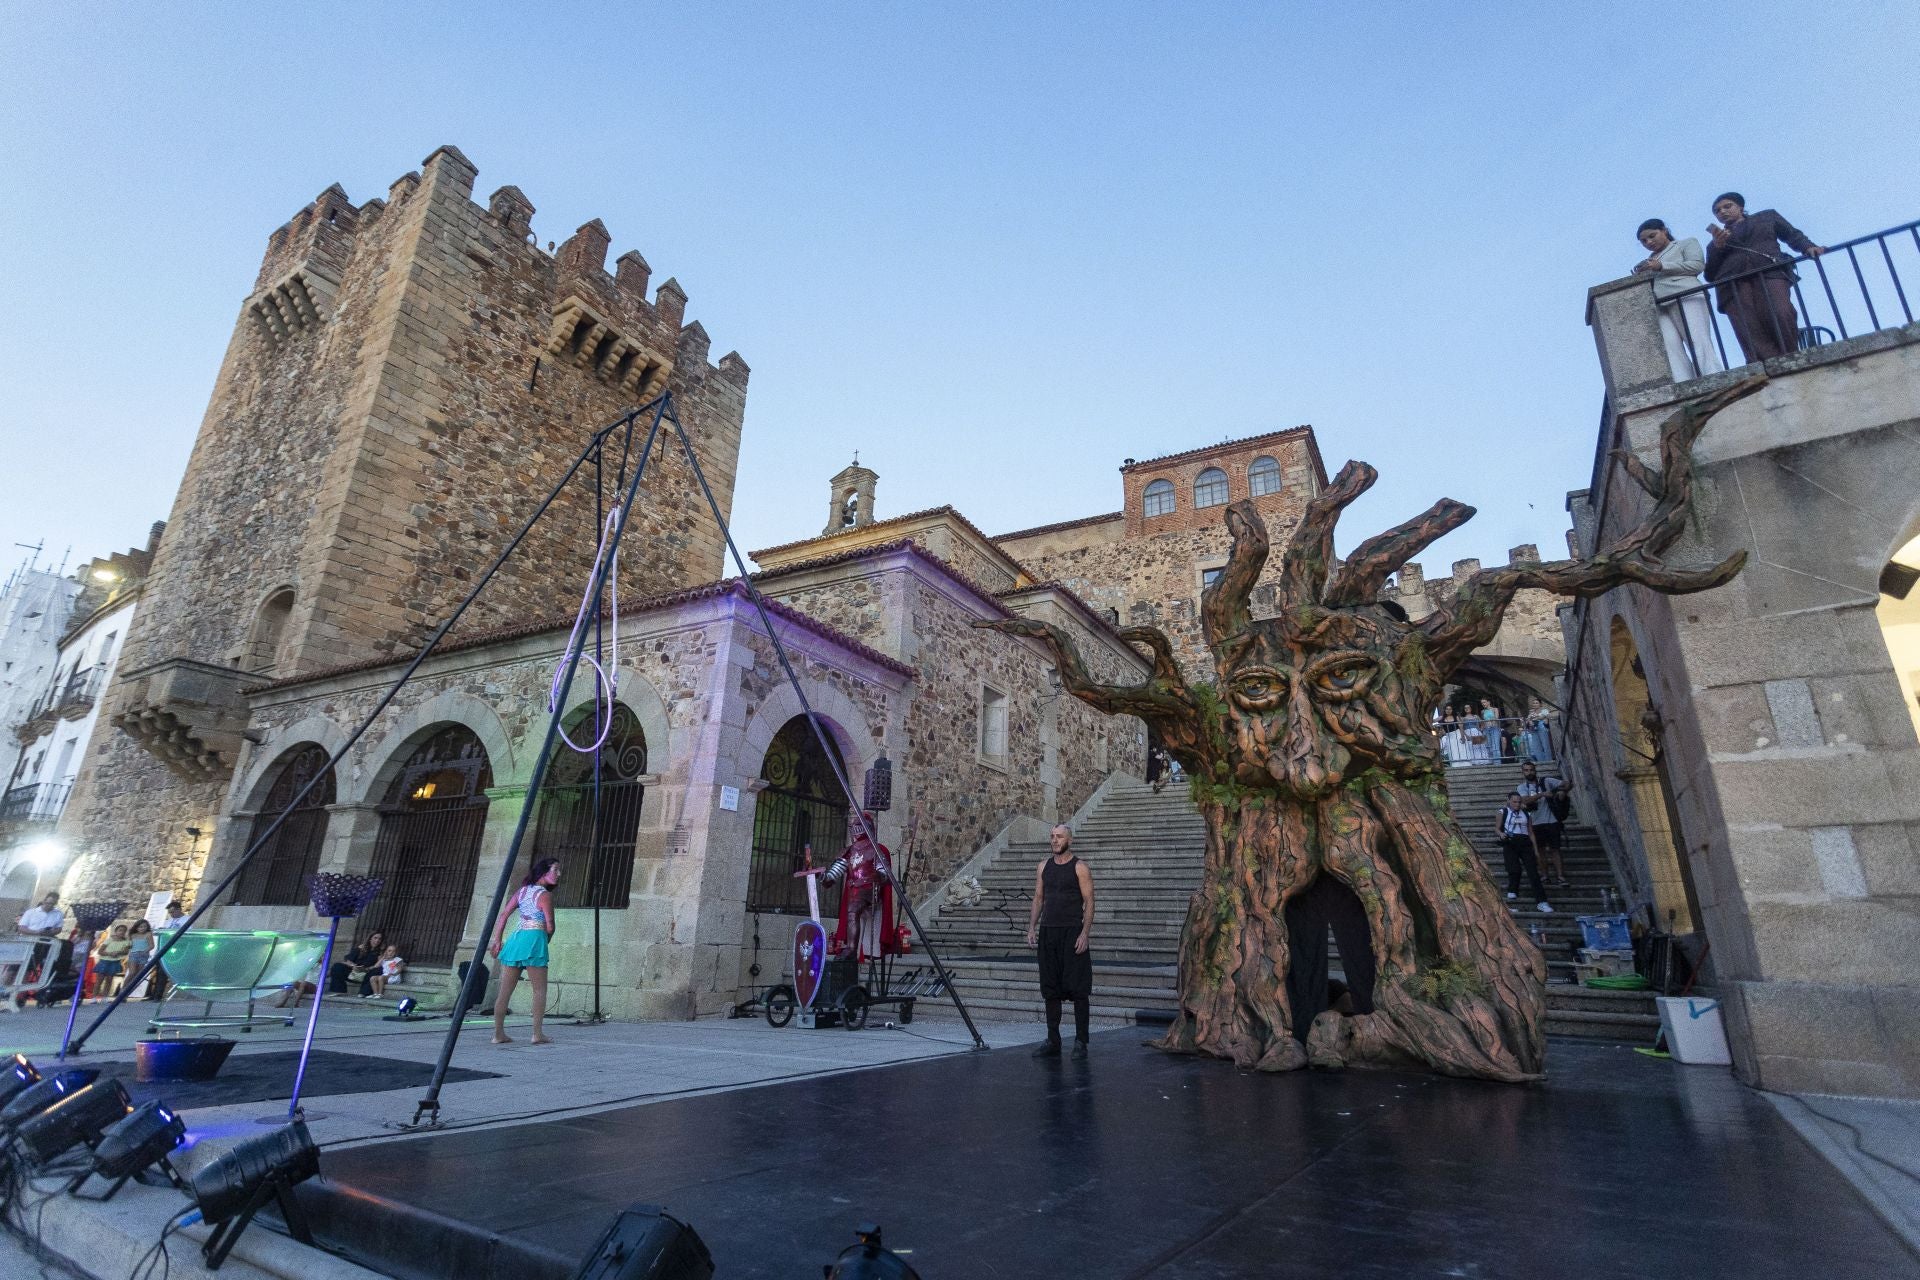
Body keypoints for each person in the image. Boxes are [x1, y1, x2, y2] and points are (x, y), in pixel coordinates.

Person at [1705, 192, 1825, 365]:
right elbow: (1710, 274)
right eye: (1717, 211)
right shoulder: (1714, 243)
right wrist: (1718, 247)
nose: (1722, 212)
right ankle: (1764, 363)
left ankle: (1790, 356)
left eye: (1727, 206)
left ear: (1740, 207)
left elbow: (1792, 234)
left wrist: (1808, 247)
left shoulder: (1766, 217)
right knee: (1749, 324)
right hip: (1733, 284)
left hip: (1769, 271)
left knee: (1780, 311)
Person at [1025, 824, 1094, 1059]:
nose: (1054, 840)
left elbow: (1090, 902)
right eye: (1052, 836)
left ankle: (1081, 1041)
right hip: (1048, 933)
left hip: (1072, 932)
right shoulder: (1043, 866)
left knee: (1078, 989)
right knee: (1050, 989)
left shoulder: (1080, 868)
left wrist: (1084, 933)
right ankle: (1053, 1040)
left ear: (1069, 840)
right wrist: (1032, 927)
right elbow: (1038, 897)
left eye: (1059, 836)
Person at [1633, 218, 1723, 379]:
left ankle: (1712, 374)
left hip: (1686, 294)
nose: (1649, 242)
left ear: (1664, 230)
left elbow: (1696, 266)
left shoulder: (1685, 244)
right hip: (1660, 304)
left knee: (1696, 339)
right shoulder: (1647, 261)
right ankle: (1684, 381)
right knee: (1669, 346)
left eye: (1652, 236)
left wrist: (1662, 266)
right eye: (1644, 241)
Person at [491, 857, 560, 1045]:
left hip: (516, 939)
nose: (558, 874)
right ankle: (537, 1034)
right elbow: (550, 925)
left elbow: (504, 914)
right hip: (534, 939)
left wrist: (497, 940)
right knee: (539, 990)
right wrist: (546, 940)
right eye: (555, 869)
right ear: (543, 872)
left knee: (504, 991)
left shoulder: (521, 892)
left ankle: (498, 1034)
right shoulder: (545, 895)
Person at [820, 813, 901, 963]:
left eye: (857, 826)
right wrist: (823, 877)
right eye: (852, 826)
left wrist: (878, 876)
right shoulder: (849, 851)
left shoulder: (877, 850)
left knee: (855, 914)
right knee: (853, 913)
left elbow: (884, 874)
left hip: (872, 893)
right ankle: (853, 951)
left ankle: (855, 950)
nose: (853, 830)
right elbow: (834, 874)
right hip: (854, 893)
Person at [1515, 761, 1571, 888]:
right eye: (1526, 770)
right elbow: (1524, 800)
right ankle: (1545, 875)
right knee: (1540, 851)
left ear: (1535, 770)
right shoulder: (1522, 787)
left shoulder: (1546, 781)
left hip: (1552, 821)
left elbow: (1567, 784)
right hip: (1534, 823)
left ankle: (1560, 877)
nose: (1529, 772)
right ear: (1523, 772)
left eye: (1531, 770)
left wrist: (1562, 792)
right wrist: (1542, 794)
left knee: (1555, 850)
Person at [1496, 792, 1552, 913]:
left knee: (1533, 872)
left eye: (1519, 802)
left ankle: (1542, 901)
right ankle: (1512, 891)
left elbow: (1531, 831)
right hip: (1510, 841)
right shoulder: (1503, 812)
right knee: (1514, 869)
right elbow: (1497, 827)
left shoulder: (1526, 813)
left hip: (1525, 842)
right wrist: (1501, 834)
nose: (1517, 804)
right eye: (1514, 802)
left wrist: (1535, 849)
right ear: (1509, 801)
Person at [328, 929, 386, 997]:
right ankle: (339, 990)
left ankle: (363, 993)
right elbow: (348, 960)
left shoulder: (380, 952)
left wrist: (366, 969)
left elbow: (377, 966)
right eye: (375, 938)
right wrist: (353, 966)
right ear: (370, 939)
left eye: (379, 939)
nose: (377, 940)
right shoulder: (361, 948)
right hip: (354, 972)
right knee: (337, 966)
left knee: (377, 970)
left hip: (367, 973)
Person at [92, 924, 131, 998]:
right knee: (99, 980)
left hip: (115, 962)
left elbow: (126, 952)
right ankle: (94, 997)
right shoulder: (109, 940)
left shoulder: (126, 942)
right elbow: (100, 951)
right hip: (104, 961)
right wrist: (110, 953)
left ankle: (105, 996)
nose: (122, 932)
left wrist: (118, 952)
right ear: (116, 931)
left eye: (124, 931)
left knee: (109, 980)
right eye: (120, 930)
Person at [127, 918, 156, 999]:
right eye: (140, 927)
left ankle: (129, 991)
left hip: (143, 955)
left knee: (138, 975)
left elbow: (151, 945)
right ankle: (123, 989)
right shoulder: (132, 935)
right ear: (136, 927)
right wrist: (129, 953)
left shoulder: (148, 934)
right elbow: (129, 946)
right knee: (132, 972)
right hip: (133, 954)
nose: (142, 928)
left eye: (144, 927)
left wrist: (145, 951)